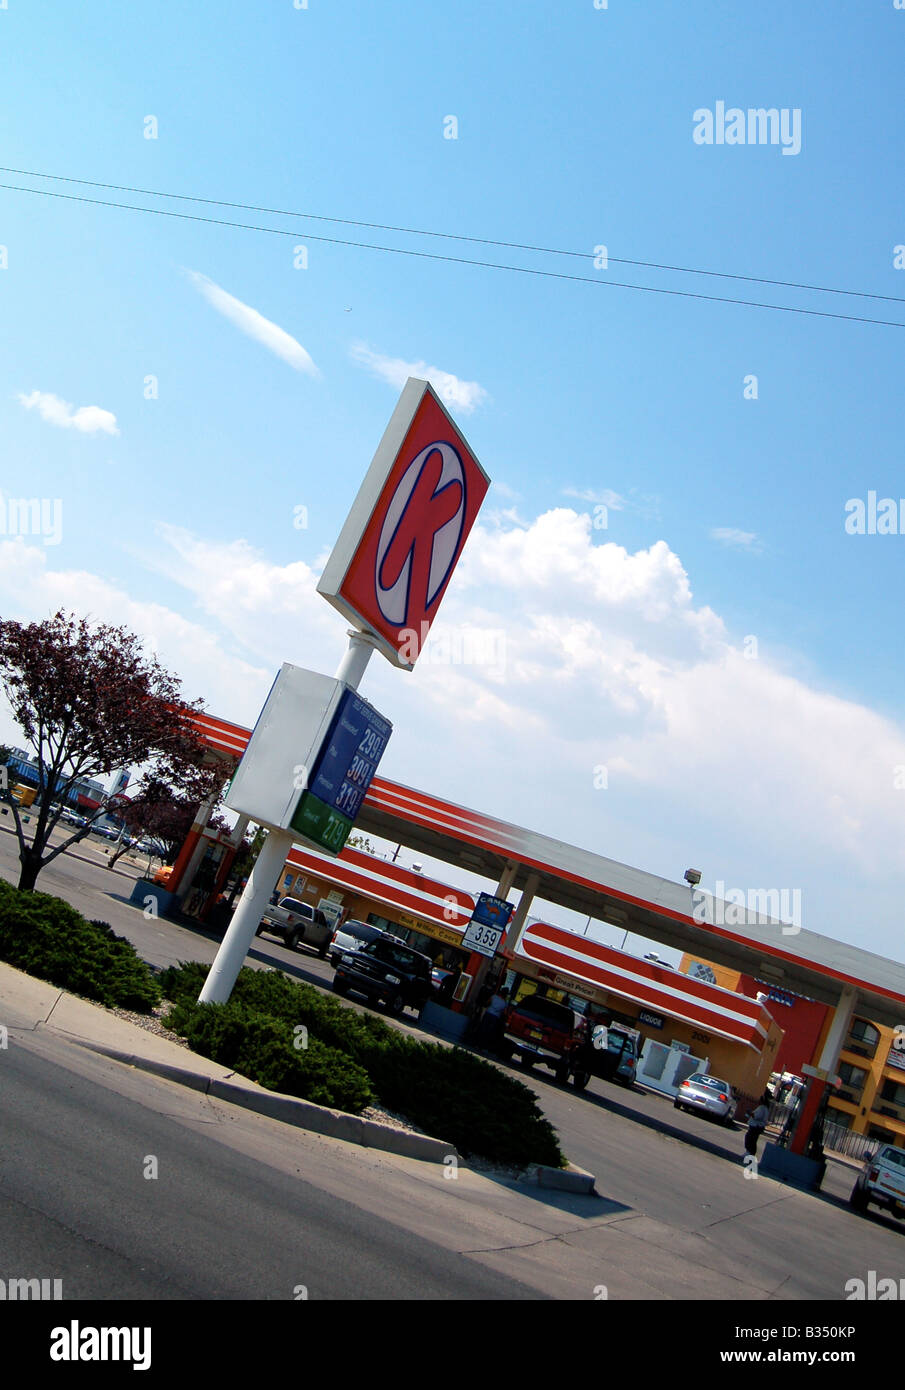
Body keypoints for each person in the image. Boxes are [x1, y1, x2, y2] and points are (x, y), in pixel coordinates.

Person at [745, 1092, 771, 1156]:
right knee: (752, 1139)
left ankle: (750, 1152)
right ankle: (749, 1152)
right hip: (757, 1127)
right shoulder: (763, 1108)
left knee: (751, 1140)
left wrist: (750, 1113)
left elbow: (757, 1116)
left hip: (756, 1127)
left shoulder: (762, 1108)